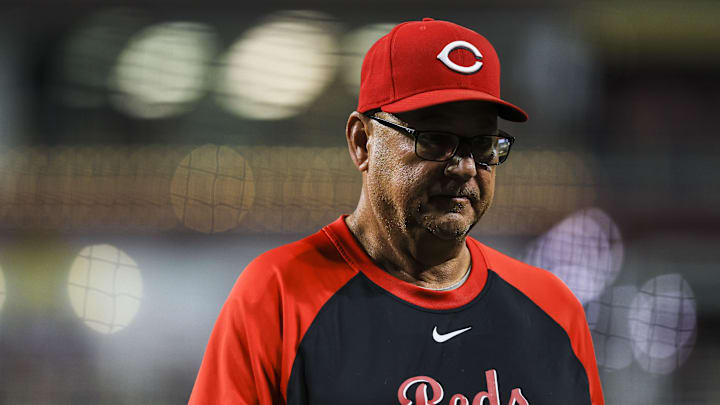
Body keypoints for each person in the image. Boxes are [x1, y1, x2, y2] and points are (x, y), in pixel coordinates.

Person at [189, 18, 604, 405]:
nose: (463, 167)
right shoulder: (277, 296)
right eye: (435, 139)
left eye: (482, 144)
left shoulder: (552, 310)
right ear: (362, 142)